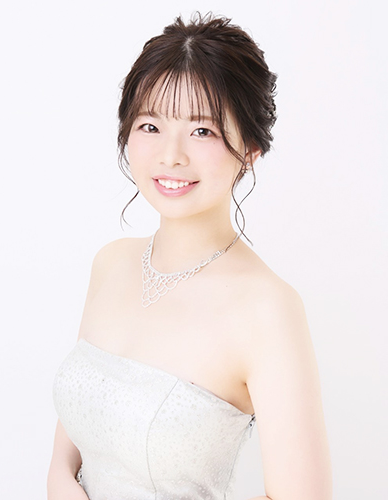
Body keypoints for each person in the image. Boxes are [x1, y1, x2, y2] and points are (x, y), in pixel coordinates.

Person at [47, 12, 332, 500]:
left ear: (251, 148)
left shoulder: (268, 308)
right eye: (150, 125)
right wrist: (58, 482)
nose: (171, 155)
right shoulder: (111, 263)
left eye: (202, 131)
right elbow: (66, 458)